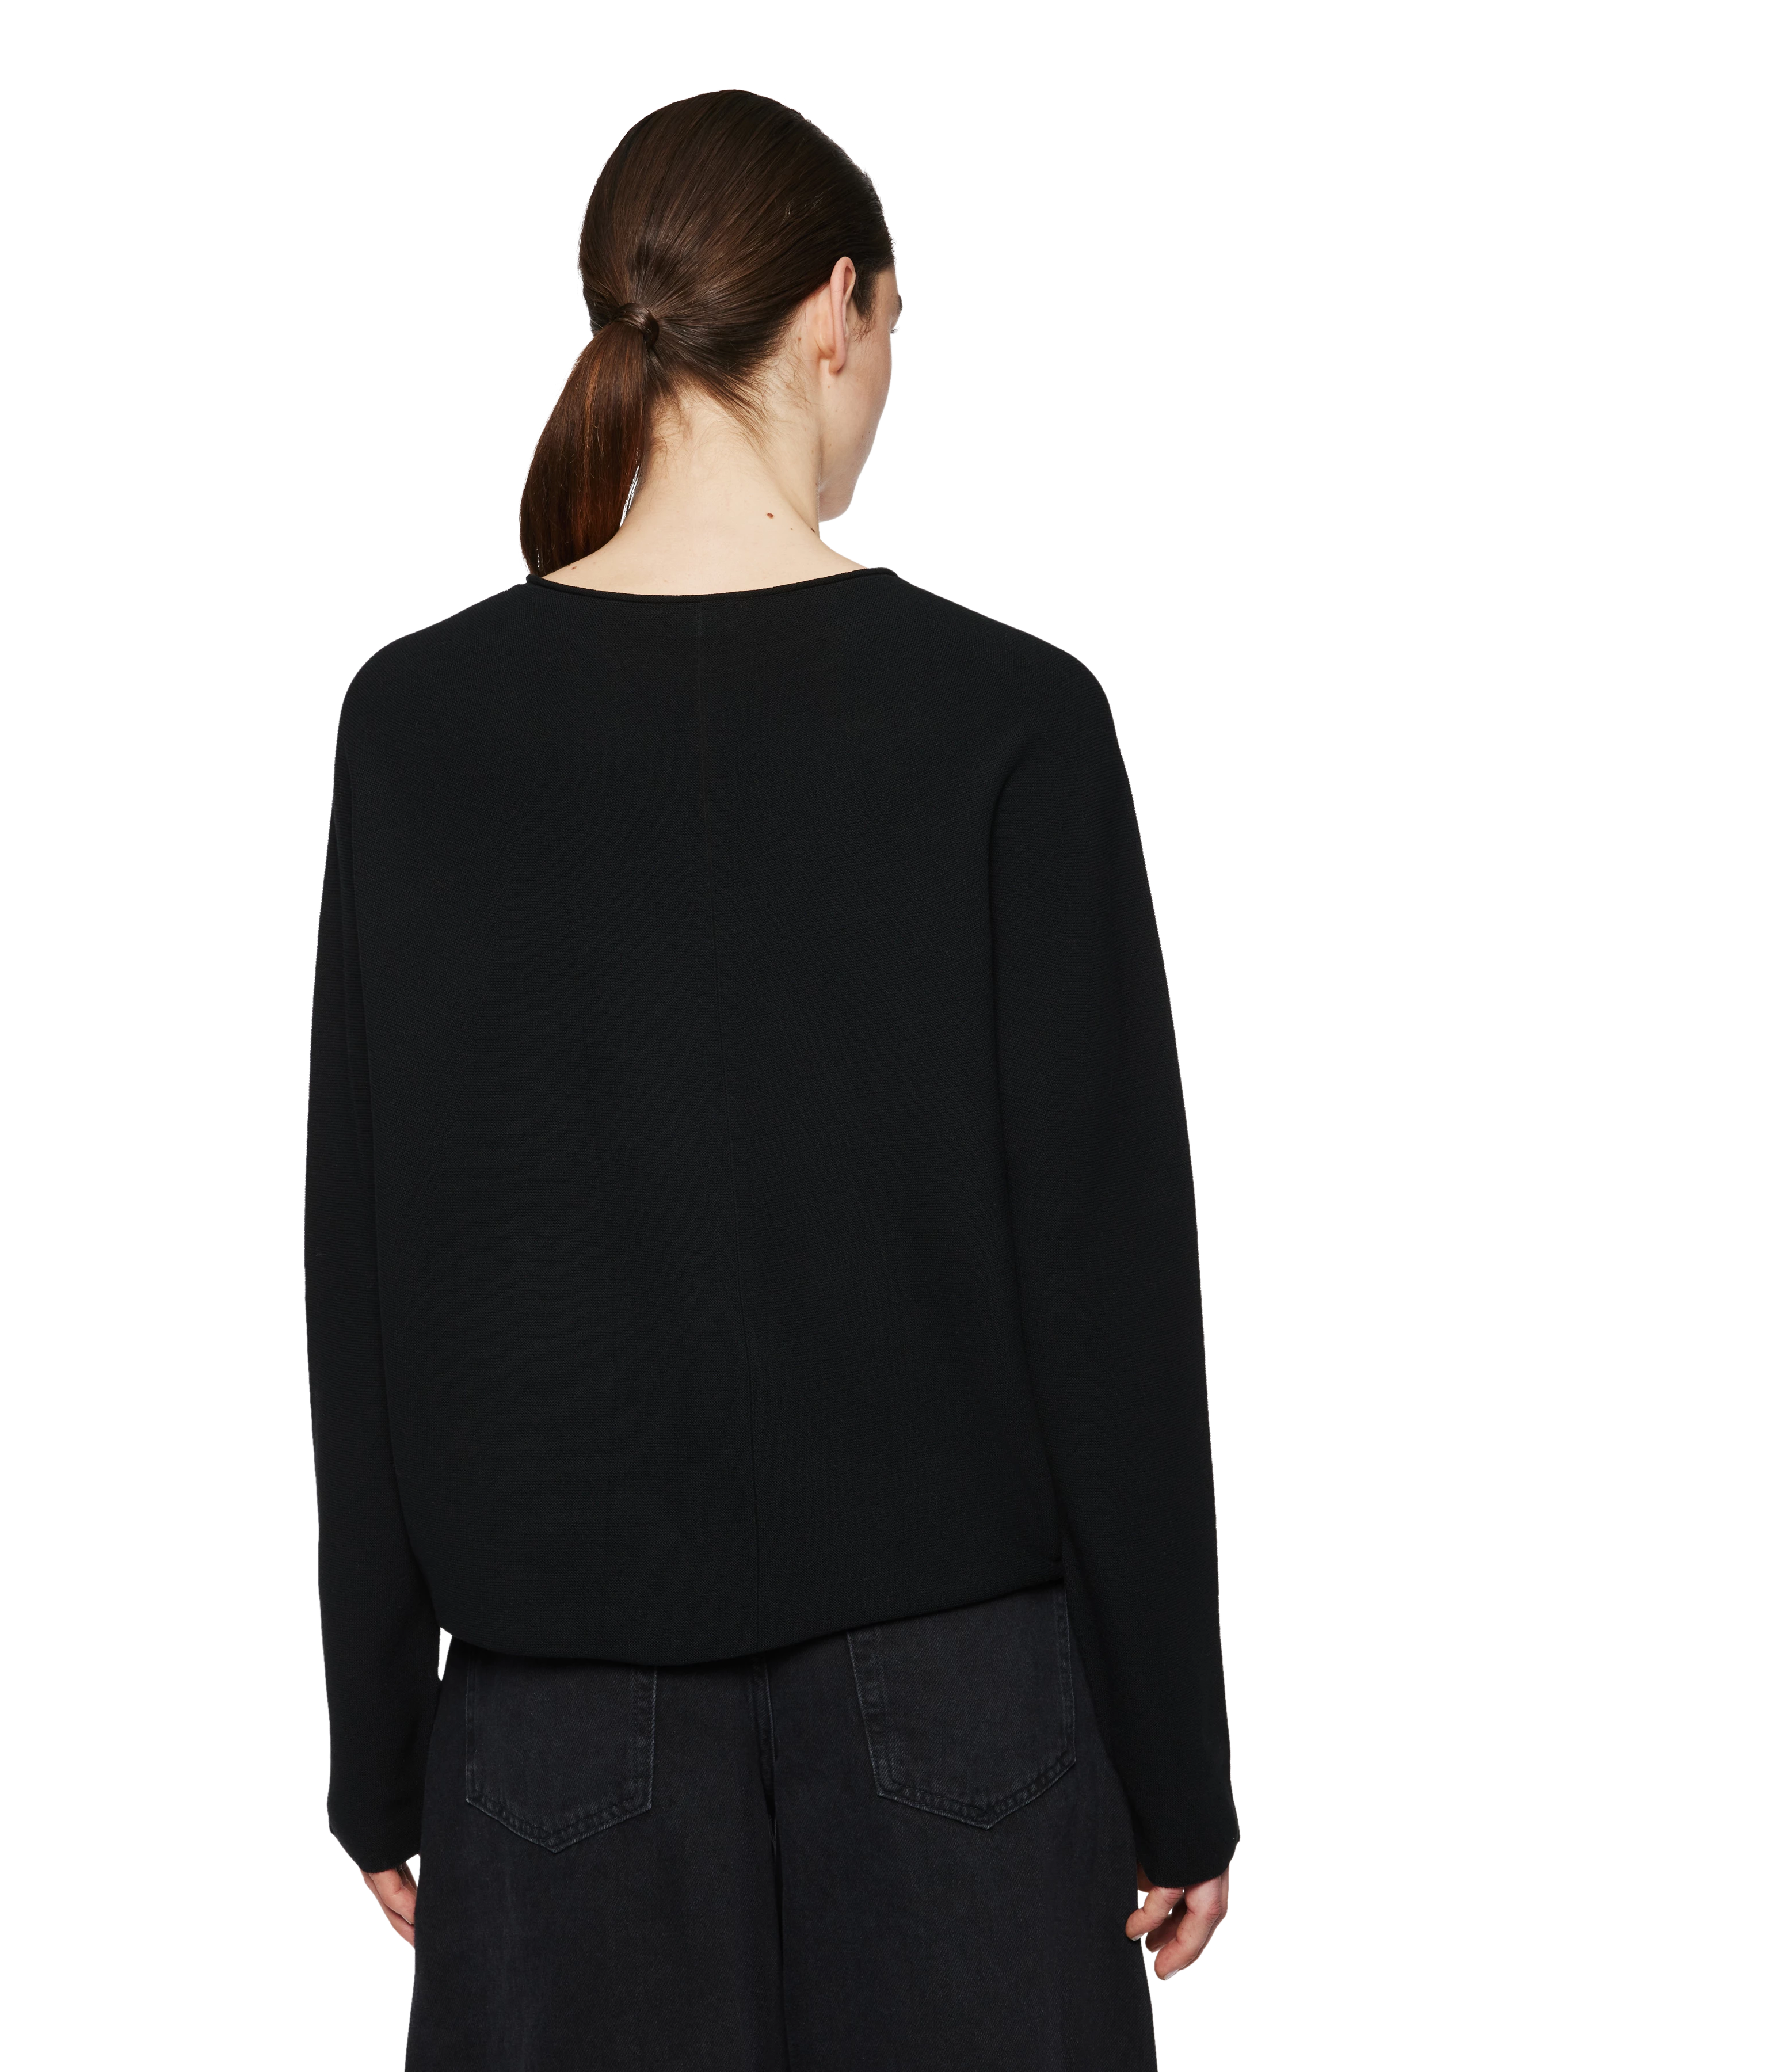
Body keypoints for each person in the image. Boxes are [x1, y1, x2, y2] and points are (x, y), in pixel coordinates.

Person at [304, 87, 1237, 2070]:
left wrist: (379, 1744)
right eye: (894, 327)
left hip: (552, 1731)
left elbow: (366, 1275)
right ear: (835, 310)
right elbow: (1109, 1290)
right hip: (967, 1727)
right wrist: (1179, 1770)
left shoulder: (422, 729)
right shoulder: (1009, 722)